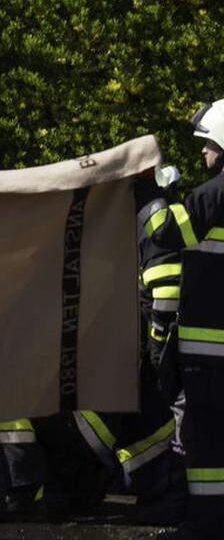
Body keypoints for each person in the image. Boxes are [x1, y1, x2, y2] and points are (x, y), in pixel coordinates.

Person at [136, 99, 224, 539]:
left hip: (209, 353)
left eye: (208, 145)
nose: (204, 154)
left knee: (204, 442)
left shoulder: (215, 193)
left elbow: (167, 233)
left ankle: (206, 525)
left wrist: (154, 200)